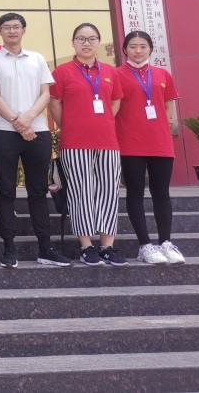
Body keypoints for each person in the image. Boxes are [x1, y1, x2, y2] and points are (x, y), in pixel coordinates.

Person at [0, 13, 72, 268]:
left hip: (38, 131)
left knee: (38, 191)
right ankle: (9, 248)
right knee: (5, 191)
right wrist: (18, 122)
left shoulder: (37, 58)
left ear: (24, 30)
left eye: (16, 27)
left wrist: (29, 119)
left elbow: (45, 94)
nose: (12, 31)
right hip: (5, 132)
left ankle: (45, 248)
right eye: (6, 27)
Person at [49, 23, 125, 267]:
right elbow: (54, 102)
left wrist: (103, 121)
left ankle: (107, 246)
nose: (86, 43)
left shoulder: (110, 71)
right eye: (81, 38)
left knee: (108, 192)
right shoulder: (62, 71)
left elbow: (115, 101)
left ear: (98, 42)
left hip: (108, 142)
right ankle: (86, 246)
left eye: (92, 39)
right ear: (73, 43)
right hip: (75, 142)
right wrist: (68, 125)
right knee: (81, 192)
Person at [116, 31, 184, 265]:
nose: (138, 50)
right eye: (133, 46)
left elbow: (168, 105)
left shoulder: (162, 74)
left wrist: (166, 125)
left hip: (160, 142)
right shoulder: (116, 74)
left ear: (150, 49)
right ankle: (145, 245)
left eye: (143, 46)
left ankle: (166, 243)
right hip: (130, 143)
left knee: (161, 193)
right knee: (135, 193)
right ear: (125, 50)